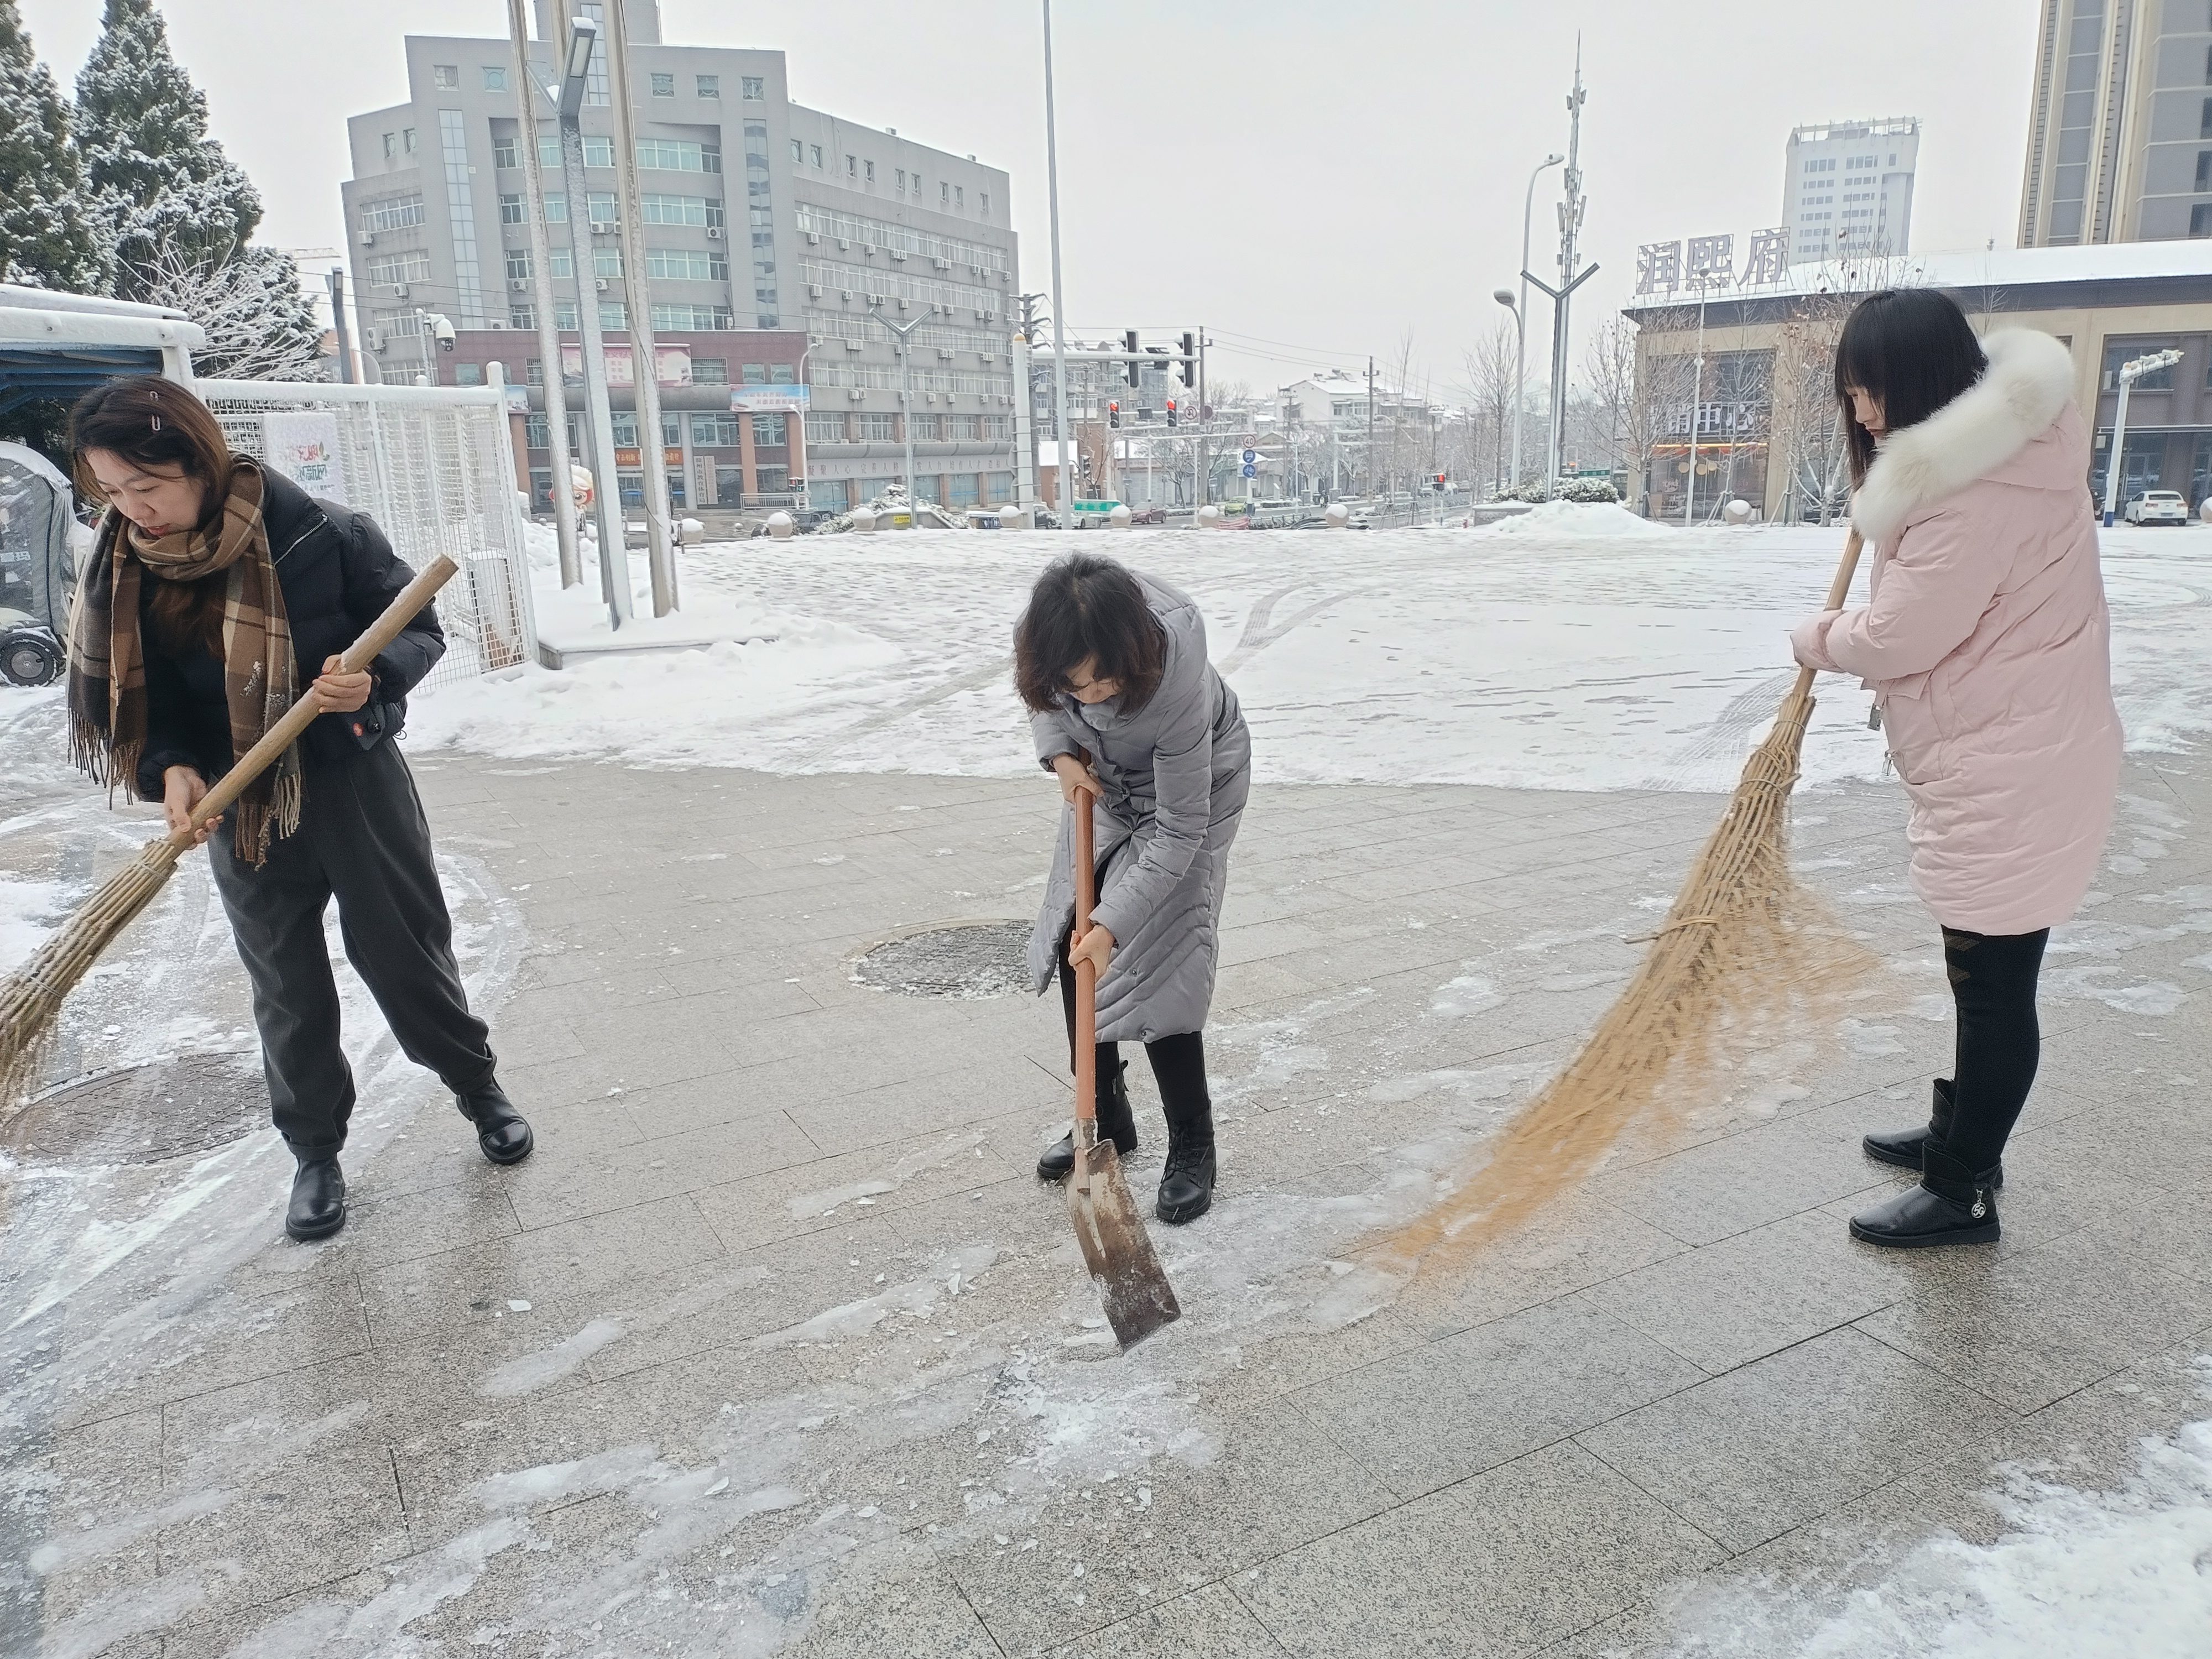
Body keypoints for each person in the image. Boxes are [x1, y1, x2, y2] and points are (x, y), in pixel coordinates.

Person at [65, 377, 533, 1242]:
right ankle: (315, 1152)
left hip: (350, 779)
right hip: (238, 799)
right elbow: (154, 696)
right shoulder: (130, 563)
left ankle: (479, 1089)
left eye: (149, 486)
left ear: (198, 462)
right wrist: (172, 771)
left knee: (403, 952)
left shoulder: (324, 532)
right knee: (285, 981)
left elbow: (420, 627)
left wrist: (373, 678)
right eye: (113, 491)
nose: (134, 510)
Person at [1790, 291, 2121, 1249]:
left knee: (1992, 986)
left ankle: (1964, 1186)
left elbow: (1902, 637)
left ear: (1919, 381)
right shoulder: (2007, 462)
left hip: (2014, 766)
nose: (1860, 414)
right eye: (1851, 396)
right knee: (1986, 976)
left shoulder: (1968, 493)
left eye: (1869, 392)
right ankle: (1965, 1129)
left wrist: (1817, 638)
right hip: (2021, 749)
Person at [1016, 554, 1250, 1224]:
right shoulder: (1052, 635)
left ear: (1134, 652)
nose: (1091, 697)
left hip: (1193, 793)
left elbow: (1179, 828)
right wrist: (1063, 757)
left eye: (1104, 682)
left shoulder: (1174, 675)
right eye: (1076, 685)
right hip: (1104, 783)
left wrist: (1117, 925)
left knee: (1156, 957)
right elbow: (1044, 703)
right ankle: (1108, 1116)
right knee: (1074, 937)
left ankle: (1193, 1143)